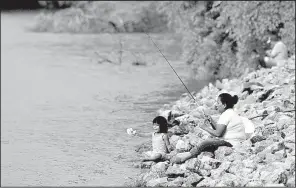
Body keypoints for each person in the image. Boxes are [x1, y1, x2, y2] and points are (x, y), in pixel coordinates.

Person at [171, 93, 247, 164]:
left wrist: (205, 127)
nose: (216, 105)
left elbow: (218, 133)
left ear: (224, 105)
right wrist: (211, 121)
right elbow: (220, 129)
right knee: (210, 141)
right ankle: (193, 153)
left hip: (232, 143)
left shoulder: (226, 115)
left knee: (207, 142)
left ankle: (189, 155)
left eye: (218, 103)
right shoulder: (231, 113)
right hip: (238, 142)